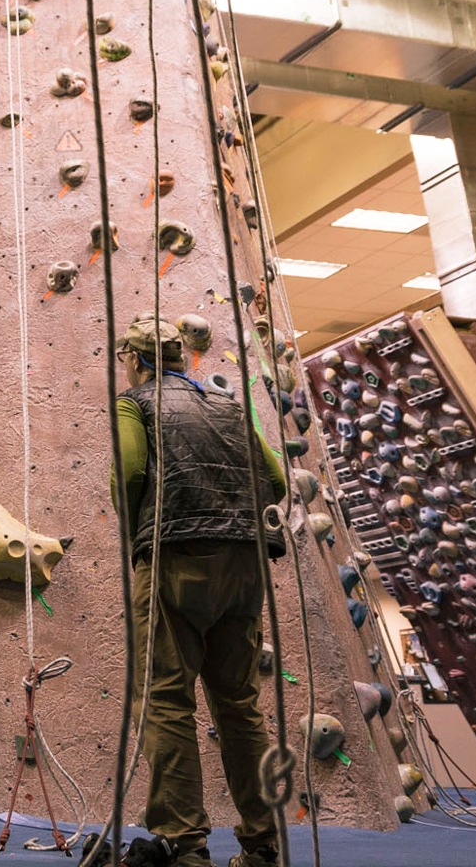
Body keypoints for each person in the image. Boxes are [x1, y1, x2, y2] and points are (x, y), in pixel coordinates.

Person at [112, 316, 287, 867]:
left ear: (135, 362)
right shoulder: (229, 404)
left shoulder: (134, 402)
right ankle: (263, 845)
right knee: (239, 704)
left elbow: (132, 472)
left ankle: (185, 846)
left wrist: (136, 531)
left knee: (165, 698)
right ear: (184, 359)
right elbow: (277, 481)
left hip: (175, 559)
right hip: (246, 561)